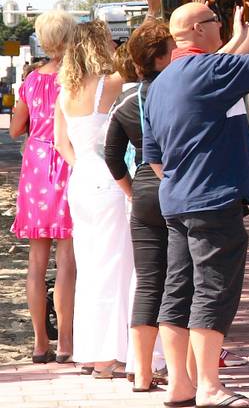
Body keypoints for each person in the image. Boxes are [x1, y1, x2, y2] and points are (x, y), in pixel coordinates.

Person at [143, 0, 249, 408]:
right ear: (197, 30)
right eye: (213, 19)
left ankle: (180, 384)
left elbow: (153, 155)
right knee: (213, 291)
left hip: (175, 201)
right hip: (212, 200)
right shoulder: (205, 73)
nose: (219, 23)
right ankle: (210, 387)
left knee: (178, 292)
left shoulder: (159, 86)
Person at [54, 19, 130, 378]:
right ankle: (112, 355)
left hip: (80, 178)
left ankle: (91, 351)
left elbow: (60, 143)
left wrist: (82, 165)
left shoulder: (64, 92)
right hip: (109, 179)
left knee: (90, 267)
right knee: (119, 266)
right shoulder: (111, 84)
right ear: (100, 46)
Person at [104, 20, 175, 393]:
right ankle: (183, 371)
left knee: (148, 282)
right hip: (177, 188)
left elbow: (113, 157)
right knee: (183, 281)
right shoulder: (176, 91)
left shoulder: (126, 102)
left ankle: (142, 372)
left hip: (145, 190)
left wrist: (132, 191)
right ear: (163, 57)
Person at [9, 9, 77, 364]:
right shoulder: (78, 79)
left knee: (36, 261)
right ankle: (65, 342)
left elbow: (15, 129)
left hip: (36, 168)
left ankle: (39, 343)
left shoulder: (33, 81)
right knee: (67, 258)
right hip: (68, 162)